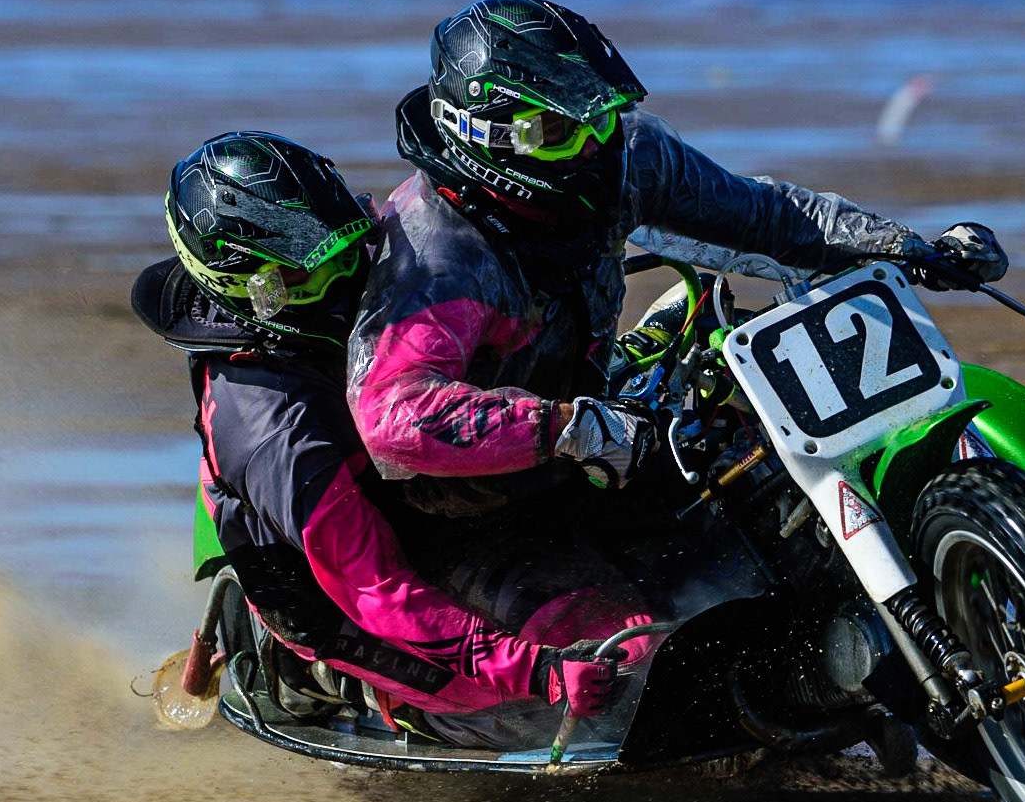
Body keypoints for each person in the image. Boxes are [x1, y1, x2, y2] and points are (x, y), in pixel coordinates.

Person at [347, 0, 1010, 511]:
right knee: (633, 650)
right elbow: (393, 417)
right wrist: (568, 428)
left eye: (598, 118)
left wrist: (904, 246)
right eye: (558, 132)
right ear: (482, 134)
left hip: (596, 405)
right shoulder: (431, 258)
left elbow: (765, 217)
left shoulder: (626, 156)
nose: (593, 147)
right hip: (473, 496)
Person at [132, 131, 648, 749]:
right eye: (314, 276)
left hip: (430, 502)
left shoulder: (376, 252)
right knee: (568, 699)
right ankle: (318, 678)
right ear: (251, 291)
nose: (350, 284)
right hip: (349, 584)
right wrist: (538, 672)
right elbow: (377, 588)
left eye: (350, 253)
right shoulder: (276, 430)